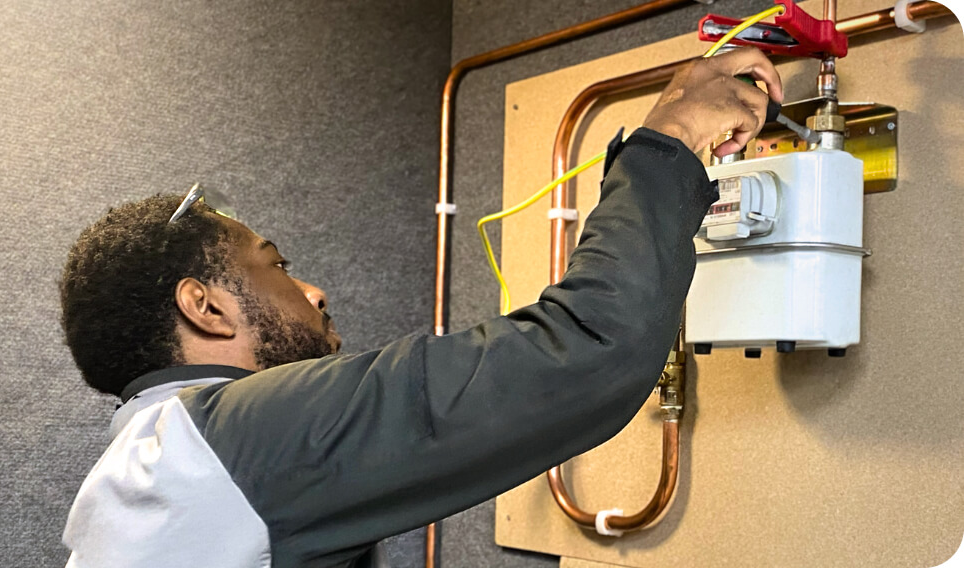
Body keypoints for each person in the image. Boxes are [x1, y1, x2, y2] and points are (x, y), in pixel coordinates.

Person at [59, 47, 782, 568]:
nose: (313, 292)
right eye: (276, 266)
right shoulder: (246, 437)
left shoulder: (143, 469)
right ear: (205, 308)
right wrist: (671, 140)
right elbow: (590, 351)